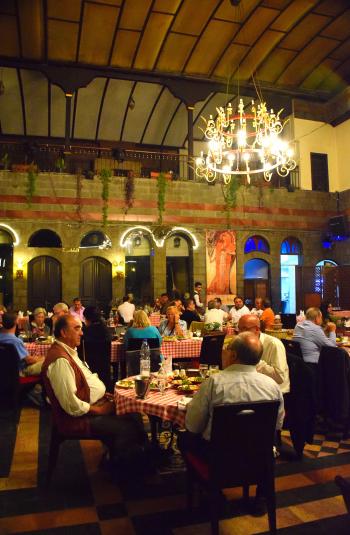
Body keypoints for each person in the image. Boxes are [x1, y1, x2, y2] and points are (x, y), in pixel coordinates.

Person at [41, 315, 146, 458]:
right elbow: (71, 406)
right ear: (63, 333)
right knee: (128, 427)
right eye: (77, 328)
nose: (82, 333)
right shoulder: (60, 360)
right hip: (75, 420)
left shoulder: (68, 351)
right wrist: (100, 410)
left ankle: (139, 458)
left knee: (133, 412)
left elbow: (83, 382)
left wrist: (103, 396)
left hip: (90, 406)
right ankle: (125, 470)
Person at [238, 314, 290, 394]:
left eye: (244, 329)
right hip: (255, 385)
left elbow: (279, 377)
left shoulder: (274, 344)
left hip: (274, 392)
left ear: (257, 329)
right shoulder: (243, 343)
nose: (240, 333)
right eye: (239, 329)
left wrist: (253, 360)